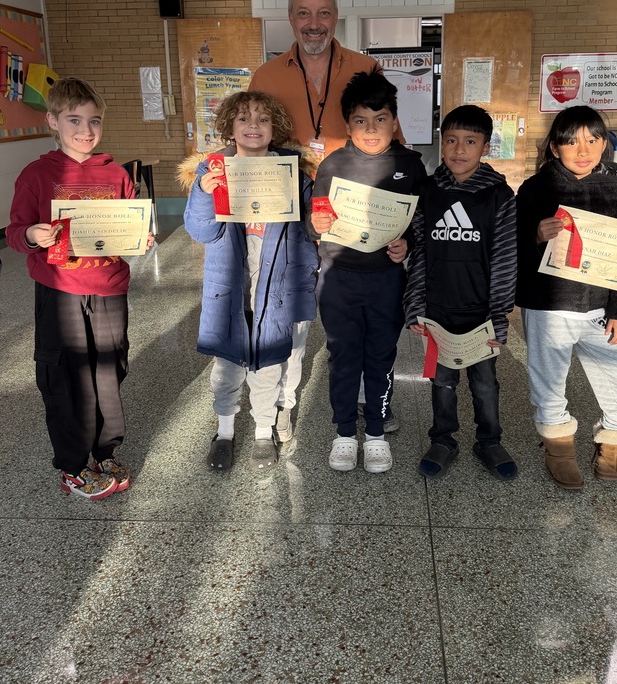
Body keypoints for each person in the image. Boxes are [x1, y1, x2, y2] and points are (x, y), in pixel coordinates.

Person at [6, 76, 149, 500]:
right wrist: (33, 234)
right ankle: (71, 464)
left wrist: (141, 236)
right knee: (63, 375)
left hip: (109, 288)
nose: (86, 131)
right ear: (52, 121)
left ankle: (104, 451)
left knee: (109, 371)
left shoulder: (116, 174)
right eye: (74, 120)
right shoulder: (36, 175)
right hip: (60, 290)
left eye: (94, 121)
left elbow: (127, 230)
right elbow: (15, 232)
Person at [515, 105, 617, 489]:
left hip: (599, 308)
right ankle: (558, 452)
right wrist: (534, 236)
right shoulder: (537, 188)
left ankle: (615, 455)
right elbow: (508, 247)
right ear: (553, 147)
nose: (583, 149)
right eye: (571, 140)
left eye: (592, 139)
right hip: (549, 308)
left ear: (604, 144)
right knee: (549, 382)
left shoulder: (616, 191)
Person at [181, 90, 318, 472]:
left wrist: (320, 225)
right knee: (227, 363)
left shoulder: (291, 171)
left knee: (270, 360)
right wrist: (206, 193)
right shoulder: (212, 172)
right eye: (243, 119)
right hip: (230, 284)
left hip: (277, 283)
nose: (253, 126)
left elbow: (309, 230)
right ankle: (224, 431)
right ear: (229, 128)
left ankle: (262, 431)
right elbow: (200, 231)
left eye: (262, 119)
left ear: (275, 128)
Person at [309, 71, 426, 473]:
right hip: (339, 277)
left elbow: (419, 221)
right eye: (361, 120)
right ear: (348, 124)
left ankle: (375, 432)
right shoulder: (333, 165)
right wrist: (317, 225)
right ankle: (344, 432)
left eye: (380, 119)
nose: (371, 129)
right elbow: (315, 219)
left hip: (386, 279)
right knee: (342, 355)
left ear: (394, 121)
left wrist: (407, 242)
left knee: (381, 355)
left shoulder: (410, 165)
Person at [404, 105, 518, 479]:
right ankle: (443, 438)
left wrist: (499, 316)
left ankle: (489, 439)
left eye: (470, 141)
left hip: (480, 314)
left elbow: (504, 257)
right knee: (442, 381)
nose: (458, 149)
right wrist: (415, 306)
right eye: (451, 140)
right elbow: (419, 252)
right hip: (437, 310)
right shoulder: (429, 191)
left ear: (485, 146)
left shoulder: (499, 197)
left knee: (484, 383)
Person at [250, 0, 384, 164]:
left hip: (352, 190)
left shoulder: (367, 69)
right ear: (291, 17)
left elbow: (389, 138)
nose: (314, 24)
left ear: (336, 16)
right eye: (304, 13)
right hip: (288, 191)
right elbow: (248, 144)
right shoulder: (265, 78)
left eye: (324, 13)